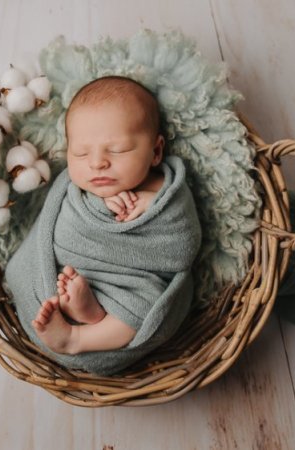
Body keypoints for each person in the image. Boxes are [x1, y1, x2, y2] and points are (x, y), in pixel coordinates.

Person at [30, 75, 187, 355]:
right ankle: (88, 311)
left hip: (135, 284)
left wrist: (153, 204)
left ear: (156, 151)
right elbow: (59, 227)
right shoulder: (77, 189)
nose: (97, 163)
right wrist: (98, 203)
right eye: (80, 153)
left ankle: (76, 338)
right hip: (80, 267)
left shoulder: (167, 188)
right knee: (52, 284)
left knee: (150, 308)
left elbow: (184, 245)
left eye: (117, 150)